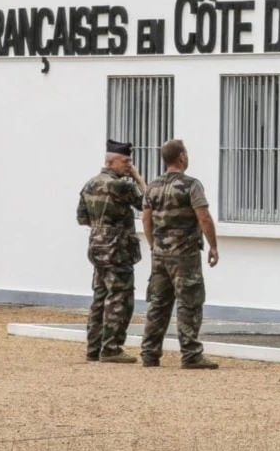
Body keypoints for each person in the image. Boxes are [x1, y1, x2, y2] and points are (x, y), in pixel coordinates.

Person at [140, 139, 220, 369]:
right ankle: (191, 354)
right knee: (189, 302)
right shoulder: (191, 185)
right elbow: (203, 217)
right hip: (184, 254)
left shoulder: (152, 187)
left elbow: (146, 219)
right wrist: (213, 246)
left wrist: (153, 244)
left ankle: (149, 352)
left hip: (160, 254)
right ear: (182, 156)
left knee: (158, 303)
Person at [76, 139, 148, 364]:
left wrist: (102, 227)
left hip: (97, 247)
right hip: (118, 249)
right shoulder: (121, 186)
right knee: (120, 297)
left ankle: (94, 347)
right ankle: (112, 348)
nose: (129, 165)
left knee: (100, 296)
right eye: (126, 161)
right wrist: (138, 178)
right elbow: (149, 203)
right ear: (111, 161)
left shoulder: (90, 184)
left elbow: (82, 218)